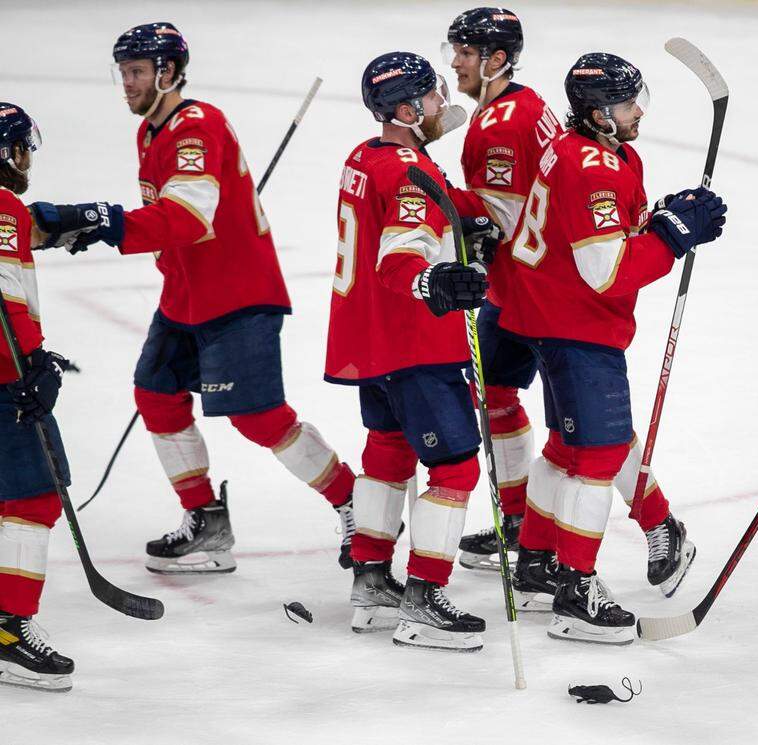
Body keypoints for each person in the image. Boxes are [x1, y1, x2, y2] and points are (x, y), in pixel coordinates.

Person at [28, 22, 357, 575]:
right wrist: (93, 230)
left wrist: (101, 219)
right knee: (156, 395)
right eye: (123, 73)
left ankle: (355, 504)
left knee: (259, 417)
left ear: (169, 72)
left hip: (237, 296)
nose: (126, 84)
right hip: (186, 295)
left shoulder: (195, 128)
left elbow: (186, 217)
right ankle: (205, 521)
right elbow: (161, 223)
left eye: (136, 72)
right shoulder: (151, 132)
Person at [441, 7, 694, 603]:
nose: (453, 62)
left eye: (463, 51)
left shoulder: (503, 125)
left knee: (593, 429)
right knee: (555, 416)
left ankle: (642, 523)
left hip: (534, 289)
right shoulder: (526, 109)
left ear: (496, 58)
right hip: (541, 286)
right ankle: (529, 533)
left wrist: (443, 202)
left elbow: (503, 218)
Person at [499, 53, 727, 644]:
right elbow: (605, 269)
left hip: (550, 315)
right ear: (599, 113)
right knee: (597, 458)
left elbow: (607, 232)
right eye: (628, 103)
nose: (639, 111)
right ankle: (577, 590)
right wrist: (672, 239)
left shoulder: (602, 153)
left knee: (567, 447)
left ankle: (537, 564)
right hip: (575, 325)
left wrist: (662, 218)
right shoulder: (594, 167)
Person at [327, 51, 490, 651]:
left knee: (388, 453)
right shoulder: (407, 173)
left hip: (371, 341)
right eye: (430, 95)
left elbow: (429, 205)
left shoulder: (368, 158)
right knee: (455, 467)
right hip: (416, 341)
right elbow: (399, 258)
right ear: (405, 109)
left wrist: (470, 217)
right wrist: (437, 281)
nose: (441, 102)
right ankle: (423, 600)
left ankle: (372, 583)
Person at [0, 103, 75, 692]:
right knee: (34, 497)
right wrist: (32, 364)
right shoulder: (2, 207)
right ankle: (8, 630)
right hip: (3, 377)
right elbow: (6, 296)